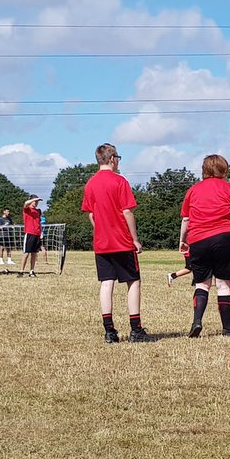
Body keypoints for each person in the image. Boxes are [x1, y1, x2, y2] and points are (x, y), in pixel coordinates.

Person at [178, 153, 230, 337]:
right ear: (224, 170)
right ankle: (227, 329)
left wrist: (183, 240)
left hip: (198, 238)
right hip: (224, 238)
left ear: (204, 170)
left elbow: (186, 219)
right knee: (223, 285)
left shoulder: (193, 190)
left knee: (202, 284)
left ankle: (197, 321)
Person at [82, 144, 150, 343]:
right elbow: (127, 211)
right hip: (121, 240)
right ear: (112, 159)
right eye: (118, 157)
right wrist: (135, 238)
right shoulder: (120, 181)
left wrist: (100, 230)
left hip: (102, 241)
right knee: (133, 281)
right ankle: (136, 329)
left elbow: (91, 214)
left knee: (106, 282)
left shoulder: (91, 183)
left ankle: (109, 331)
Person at [19, 195, 46, 277]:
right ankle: (21, 271)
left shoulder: (38, 211)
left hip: (37, 234)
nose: (36, 203)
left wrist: (41, 233)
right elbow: (25, 203)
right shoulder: (27, 209)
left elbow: (39, 223)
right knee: (26, 253)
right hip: (29, 233)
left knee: (34, 253)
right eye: (35, 201)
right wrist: (34, 199)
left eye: (37, 202)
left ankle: (31, 271)